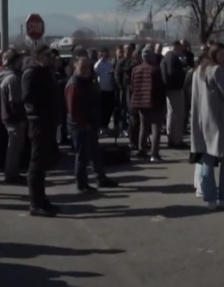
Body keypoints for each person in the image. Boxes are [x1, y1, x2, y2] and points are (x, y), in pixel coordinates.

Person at [191, 43, 224, 210]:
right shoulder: (217, 71)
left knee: (207, 158)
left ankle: (210, 197)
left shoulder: (198, 70)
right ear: (214, 54)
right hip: (219, 119)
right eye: (222, 54)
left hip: (202, 119)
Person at [66, 54, 119, 193]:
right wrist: (83, 123)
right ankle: (81, 183)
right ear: (75, 67)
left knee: (95, 153)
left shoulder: (87, 82)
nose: (85, 70)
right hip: (80, 126)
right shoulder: (74, 84)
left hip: (91, 122)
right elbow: (73, 109)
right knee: (82, 156)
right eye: (82, 67)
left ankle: (101, 178)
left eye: (88, 67)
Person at [22, 46, 63, 216]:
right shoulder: (31, 72)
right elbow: (28, 97)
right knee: (36, 163)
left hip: (47, 121)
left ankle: (42, 198)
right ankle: (35, 202)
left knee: (43, 163)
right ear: (38, 56)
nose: (51, 58)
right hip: (38, 121)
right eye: (47, 55)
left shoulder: (45, 71)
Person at [129, 46, 166, 161]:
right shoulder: (156, 69)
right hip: (154, 102)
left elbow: (132, 86)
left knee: (143, 127)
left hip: (140, 102)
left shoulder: (136, 69)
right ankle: (154, 154)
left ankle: (142, 150)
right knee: (156, 129)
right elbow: (161, 87)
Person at [0, 50, 27, 184]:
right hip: (14, 119)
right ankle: (11, 174)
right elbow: (15, 101)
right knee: (14, 148)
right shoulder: (13, 78)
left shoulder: (5, 77)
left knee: (14, 147)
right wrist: (20, 117)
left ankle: (13, 172)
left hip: (9, 117)